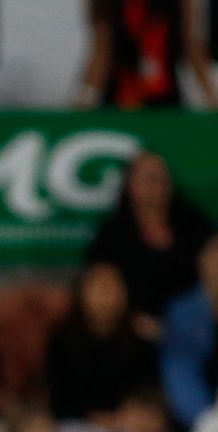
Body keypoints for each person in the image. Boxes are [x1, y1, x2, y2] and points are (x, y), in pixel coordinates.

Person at [86, 151, 215, 340]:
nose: (156, 185)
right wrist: (132, 320)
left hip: (194, 325)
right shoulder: (113, 234)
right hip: (134, 330)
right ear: (130, 185)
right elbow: (99, 285)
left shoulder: (191, 221)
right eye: (148, 178)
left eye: (161, 177)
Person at [45, 263, 160, 422]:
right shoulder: (62, 339)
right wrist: (102, 419)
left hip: (130, 423)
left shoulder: (139, 337)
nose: (107, 294)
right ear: (82, 292)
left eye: (114, 287)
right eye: (100, 287)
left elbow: (148, 391)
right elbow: (60, 400)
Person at [75, 0, 218, 108]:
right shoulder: (106, 4)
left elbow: (192, 48)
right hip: (118, 97)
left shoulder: (181, 3)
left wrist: (211, 97)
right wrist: (86, 98)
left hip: (164, 98)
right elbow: (101, 50)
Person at [161, 236, 218, 429]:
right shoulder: (183, 312)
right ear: (201, 263)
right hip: (200, 418)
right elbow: (181, 370)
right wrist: (206, 420)